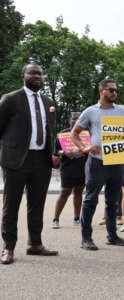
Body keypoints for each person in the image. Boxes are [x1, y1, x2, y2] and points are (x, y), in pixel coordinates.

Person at [0, 63, 58, 265]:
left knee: (37, 205)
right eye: (32, 73)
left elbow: (50, 131)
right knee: (11, 205)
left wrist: (54, 153)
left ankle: (35, 243)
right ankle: (8, 247)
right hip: (16, 160)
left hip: (41, 160)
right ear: (23, 75)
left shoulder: (49, 101)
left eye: (40, 73)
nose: (37, 76)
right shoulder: (10, 99)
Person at [71, 78, 124, 250]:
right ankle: (86, 238)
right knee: (90, 199)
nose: (114, 93)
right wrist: (85, 147)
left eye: (115, 90)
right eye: (111, 90)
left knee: (112, 202)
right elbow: (75, 133)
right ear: (101, 91)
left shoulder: (121, 111)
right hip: (97, 163)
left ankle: (112, 236)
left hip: (117, 162)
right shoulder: (90, 111)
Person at [52, 112, 87, 229]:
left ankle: (77, 218)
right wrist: (64, 152)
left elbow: (90, 148)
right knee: (64, 192)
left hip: (82, 168)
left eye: (79, 119)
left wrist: (86, 149)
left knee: (78, 192)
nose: (76, 121)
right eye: (74, 119)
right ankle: (55, 219)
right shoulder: (63, 134)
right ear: (69, 120)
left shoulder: (86, 133)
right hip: (67, 168)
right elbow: (56, 151)